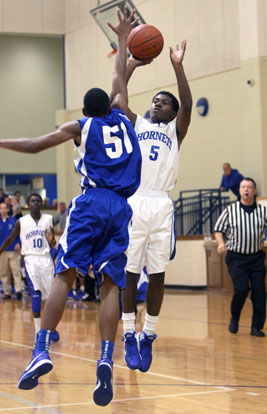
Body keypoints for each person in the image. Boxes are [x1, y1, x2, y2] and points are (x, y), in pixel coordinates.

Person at [0, 7, 141, 407]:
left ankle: (41, 350)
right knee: (112, 283)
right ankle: (105, 358)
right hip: (121, 208)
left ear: (83, 112)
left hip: (92, 202)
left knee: (65, 274)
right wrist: (127, 41)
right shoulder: (126, 119)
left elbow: (32, 146)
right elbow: (120, 77)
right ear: (112, 104)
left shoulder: (83, 126)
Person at [114, 39, 192, 372]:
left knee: (157, 275)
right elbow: (118, 98)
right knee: (130, 273)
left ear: (172, 113)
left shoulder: (176, 131)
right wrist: (131, 65)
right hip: (137, 199)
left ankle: (149, 335)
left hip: (161, 203)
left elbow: (187, 102)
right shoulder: (139, 125)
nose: (155, 104)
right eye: (154, 101)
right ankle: (129, 333)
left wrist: (177, 65)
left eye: (162, 103)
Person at [214, 177, 267, 337]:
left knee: (259, 292)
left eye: (249, 187)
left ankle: (256, 327)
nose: (246, 189)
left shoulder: (263, 211)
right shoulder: (230, 210)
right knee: (241, 289)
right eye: (243, 187)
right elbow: (218, 229)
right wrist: (221, 243)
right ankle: (235, 318)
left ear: (254, 191)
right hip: (236, 258)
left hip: (256, 258)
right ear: (240, 191)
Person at [0, 194, 59, 341]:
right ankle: (38, 331)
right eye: (32, 201)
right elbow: (10, 238)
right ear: (27, 204)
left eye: (38, 201)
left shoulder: (48, 219)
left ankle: (51, 328)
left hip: (46, 259)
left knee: (51, 298)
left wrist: (51, 241)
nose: (36, 203)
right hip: (30, 259)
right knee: (36, 292)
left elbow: (52, 242)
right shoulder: (22, 221)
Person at [0, 202, 22, 299]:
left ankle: (18, 291)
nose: (3, 210)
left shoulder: (14, 221)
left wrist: (19, 243)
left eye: (5, 208)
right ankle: (6, 292)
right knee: (3, 272)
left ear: (8, 209)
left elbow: (21, 233)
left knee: (16, 270)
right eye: (1, 208)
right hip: (2, 251)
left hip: (14, 250)